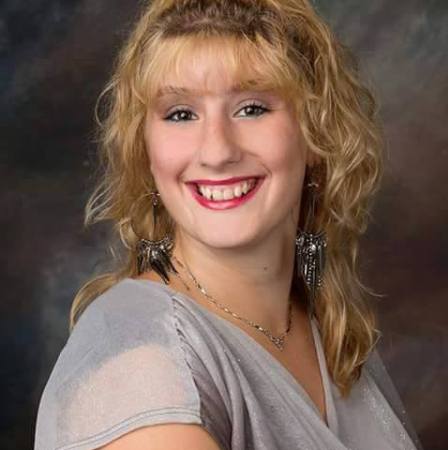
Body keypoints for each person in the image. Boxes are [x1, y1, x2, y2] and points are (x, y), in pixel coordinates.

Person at [34, 1, 423, 449]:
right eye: (181, 114)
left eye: (252, 108)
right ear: (145, 150)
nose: (217, 152)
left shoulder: (323, 321)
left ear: (317, 132)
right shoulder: (140, 368)